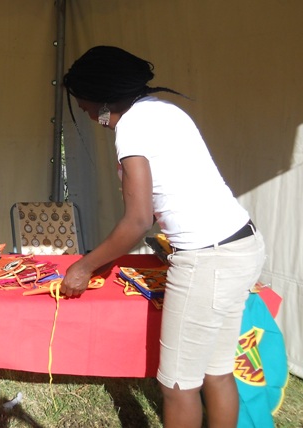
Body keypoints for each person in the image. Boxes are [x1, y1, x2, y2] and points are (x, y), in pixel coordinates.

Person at [60, 46, 265, 428]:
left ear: (103, 98)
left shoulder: (132, 127)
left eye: (86, 106)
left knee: (177, 385)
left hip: (208, 260)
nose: (88, 115)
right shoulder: (164, 111)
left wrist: (84, 266)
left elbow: (138, 221)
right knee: (215, 372)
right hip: (241, 244)